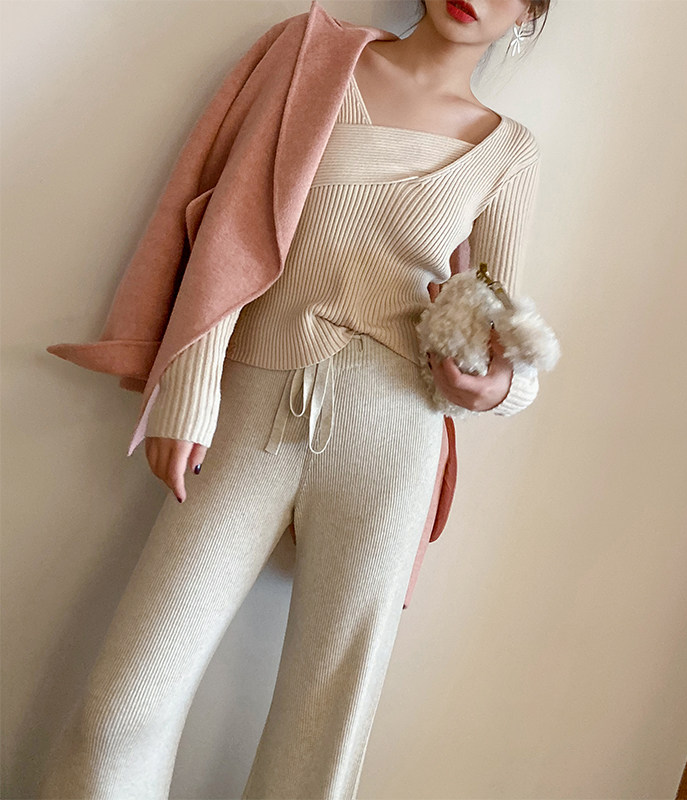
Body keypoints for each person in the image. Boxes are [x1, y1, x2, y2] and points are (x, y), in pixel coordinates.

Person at [38, 0, 551, 797]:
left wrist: (499, 387)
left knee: (320, 743)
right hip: (249, 405)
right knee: (121, 711)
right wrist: (190, 390)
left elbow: (503, 328)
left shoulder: (509, 151)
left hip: (394, 432)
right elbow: (230, 224)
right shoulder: (315, 54)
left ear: (530, 12)